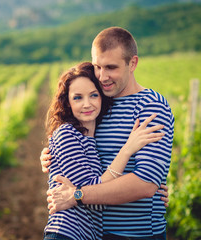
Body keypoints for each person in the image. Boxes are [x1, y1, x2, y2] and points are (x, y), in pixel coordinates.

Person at [41, 27, 174, 240]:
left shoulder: (150, 107)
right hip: (91, 233)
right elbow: (78, 148)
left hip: (135, 234)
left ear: (132, 63)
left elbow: (145, 183)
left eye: (111, 67)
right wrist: (51, 154)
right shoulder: (99, 103)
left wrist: (77, 195)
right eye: (97, 67)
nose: (102, 77)